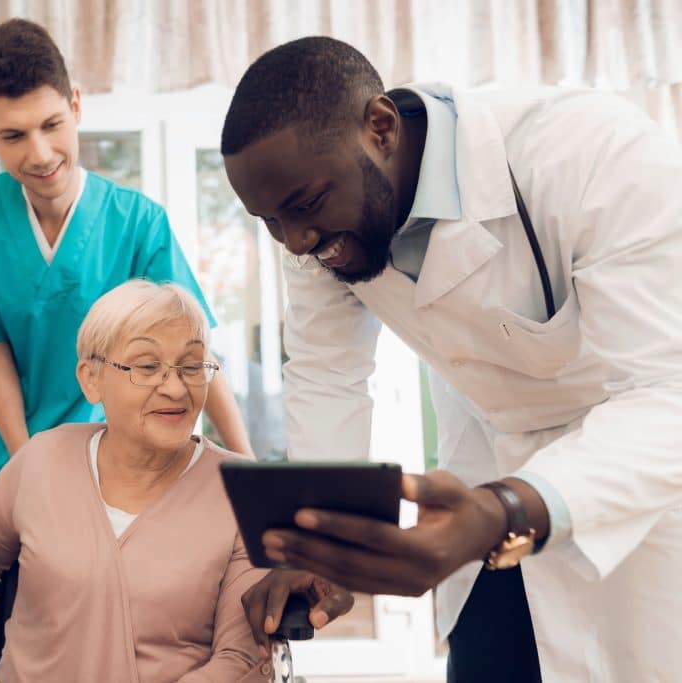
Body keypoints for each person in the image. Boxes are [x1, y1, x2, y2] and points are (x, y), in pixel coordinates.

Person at [220, 37, 682, 682]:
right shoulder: (317, 229)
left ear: (380, 127)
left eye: (304, 206)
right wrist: (321, 545)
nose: (295, 241)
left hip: (632, 473)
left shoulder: (590, 152)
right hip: (486, 468)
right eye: (268, 220)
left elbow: (668, 393)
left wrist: (507, 510)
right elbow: (328, 374)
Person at [0, 18, 253, 665]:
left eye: (52, 124)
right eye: (13, 136)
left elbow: (191, 349)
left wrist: (252, 473)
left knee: (102, 628)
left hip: (102, 455)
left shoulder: (137, 221)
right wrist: (39, 473)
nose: (40, 152)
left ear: (76, 105)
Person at [0, 280, 268, 682]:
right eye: (147, 366)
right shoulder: (46, 458)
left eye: (192, 366)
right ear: (91, 378)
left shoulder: (243, 493)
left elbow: (241, 657)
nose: (176, 388)